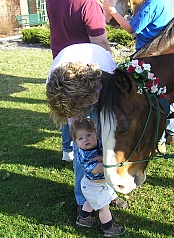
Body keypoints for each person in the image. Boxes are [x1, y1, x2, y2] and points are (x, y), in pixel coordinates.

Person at [46, 43, 128, 218]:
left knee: (106, 143)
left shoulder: (106, 75)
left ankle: (108, 192)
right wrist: (79, 135)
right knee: (82, 148)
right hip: (76, 94)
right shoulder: (56, 86)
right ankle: (83, 199)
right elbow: (71, 121)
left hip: (98, 88)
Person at [103, 0, 174, 151]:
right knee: (166, 94)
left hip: (149, 55)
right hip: (162, 52)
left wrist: (112, 11)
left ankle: (160, 139)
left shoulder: (152, 4)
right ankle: (173, 133)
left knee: (153, 97)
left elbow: (132, 29)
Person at [46, 0, 111, 162]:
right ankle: (87, 171)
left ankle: (67, 149)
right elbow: (100, 42)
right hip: (85, 73)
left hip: (61, 67)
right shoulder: (88, 3)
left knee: (67, 110)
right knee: (87, 124)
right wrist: (109, 64)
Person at [69, 118, 125, 237]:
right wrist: (110, 164)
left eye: (89, 135)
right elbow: (95, 169)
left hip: (98, 185)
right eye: (80, 138)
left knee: (91, 201)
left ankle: (83, 219)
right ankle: (109, 228)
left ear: (96, 134)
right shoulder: (82, 155)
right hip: (94, 185)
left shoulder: (99, 144)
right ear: (76, 142)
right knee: (104, 208)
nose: (86, 140)